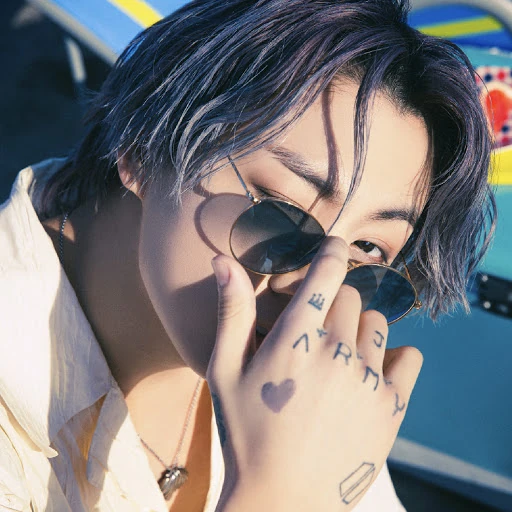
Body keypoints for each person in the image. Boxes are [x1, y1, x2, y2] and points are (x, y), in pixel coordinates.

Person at [0, 0, 496, 510]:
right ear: (143, 147)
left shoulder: (309, 383)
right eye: (282, 210)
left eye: (367, 249)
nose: (315, 288)